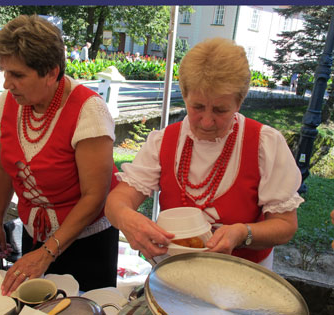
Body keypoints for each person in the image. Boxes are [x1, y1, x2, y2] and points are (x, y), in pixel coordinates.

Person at [105, 38, 303, 270]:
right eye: (197, 107)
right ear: (185, 95)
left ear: (240, 102)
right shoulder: (164, 142)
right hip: (177, 275)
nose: (207, 122)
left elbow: (285, 225)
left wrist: (243, 232)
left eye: (220, 110)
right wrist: (128, 220)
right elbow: (116, 203)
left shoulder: (264, 143)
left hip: (243, 281)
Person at [0, 15, 119, 295]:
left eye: (18, 75)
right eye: (5, 72)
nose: (7, 84)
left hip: (86, 241)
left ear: (51, 72)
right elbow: (4, 168)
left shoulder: (88, 112)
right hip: (35, 233)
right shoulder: (9, 103)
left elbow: (95, 196)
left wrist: (48, 253)